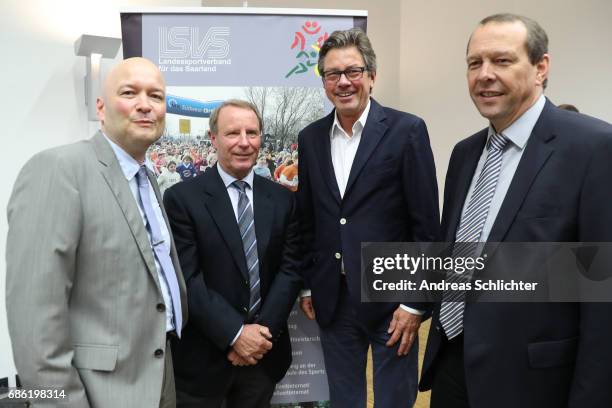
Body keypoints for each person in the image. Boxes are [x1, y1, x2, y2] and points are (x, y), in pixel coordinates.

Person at [420, 13, 612, 408]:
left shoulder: (593, 148)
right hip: (453, 366)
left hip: (534, 382)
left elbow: (602, 298)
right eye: (475, 63)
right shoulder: (464, 154)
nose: (484, 75)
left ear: (541, 67)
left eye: (502, 61)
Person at [6, 57, 187, 408]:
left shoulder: (147, 179)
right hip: (98, 392)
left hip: (159, 375)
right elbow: (33, 320)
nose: (145, 105)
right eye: (129, 92)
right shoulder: (59, 169)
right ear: (100, 108)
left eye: (156, 96)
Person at [296, 28, 439, 408]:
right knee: (344, 401)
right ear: (324, 82)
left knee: (394, 399)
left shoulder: (407, 131)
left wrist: (415, 303)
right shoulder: (309, 138)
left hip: (394, 304)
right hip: (334, 300)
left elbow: (427, 227)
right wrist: (310, 285)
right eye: (332, 74)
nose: (343, 82)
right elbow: (309, 219)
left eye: (353, 71)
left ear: (372, 76)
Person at [164, 99, 302, 408]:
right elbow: (188, 277)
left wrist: (258, 337)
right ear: (213, 138)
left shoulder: (282, 200)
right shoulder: (181, 199)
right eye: (232, 133)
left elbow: (291, 270)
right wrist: (236, 334)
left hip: (263, 360)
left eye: (252, 133)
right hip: (203, 361)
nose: (244, 142)